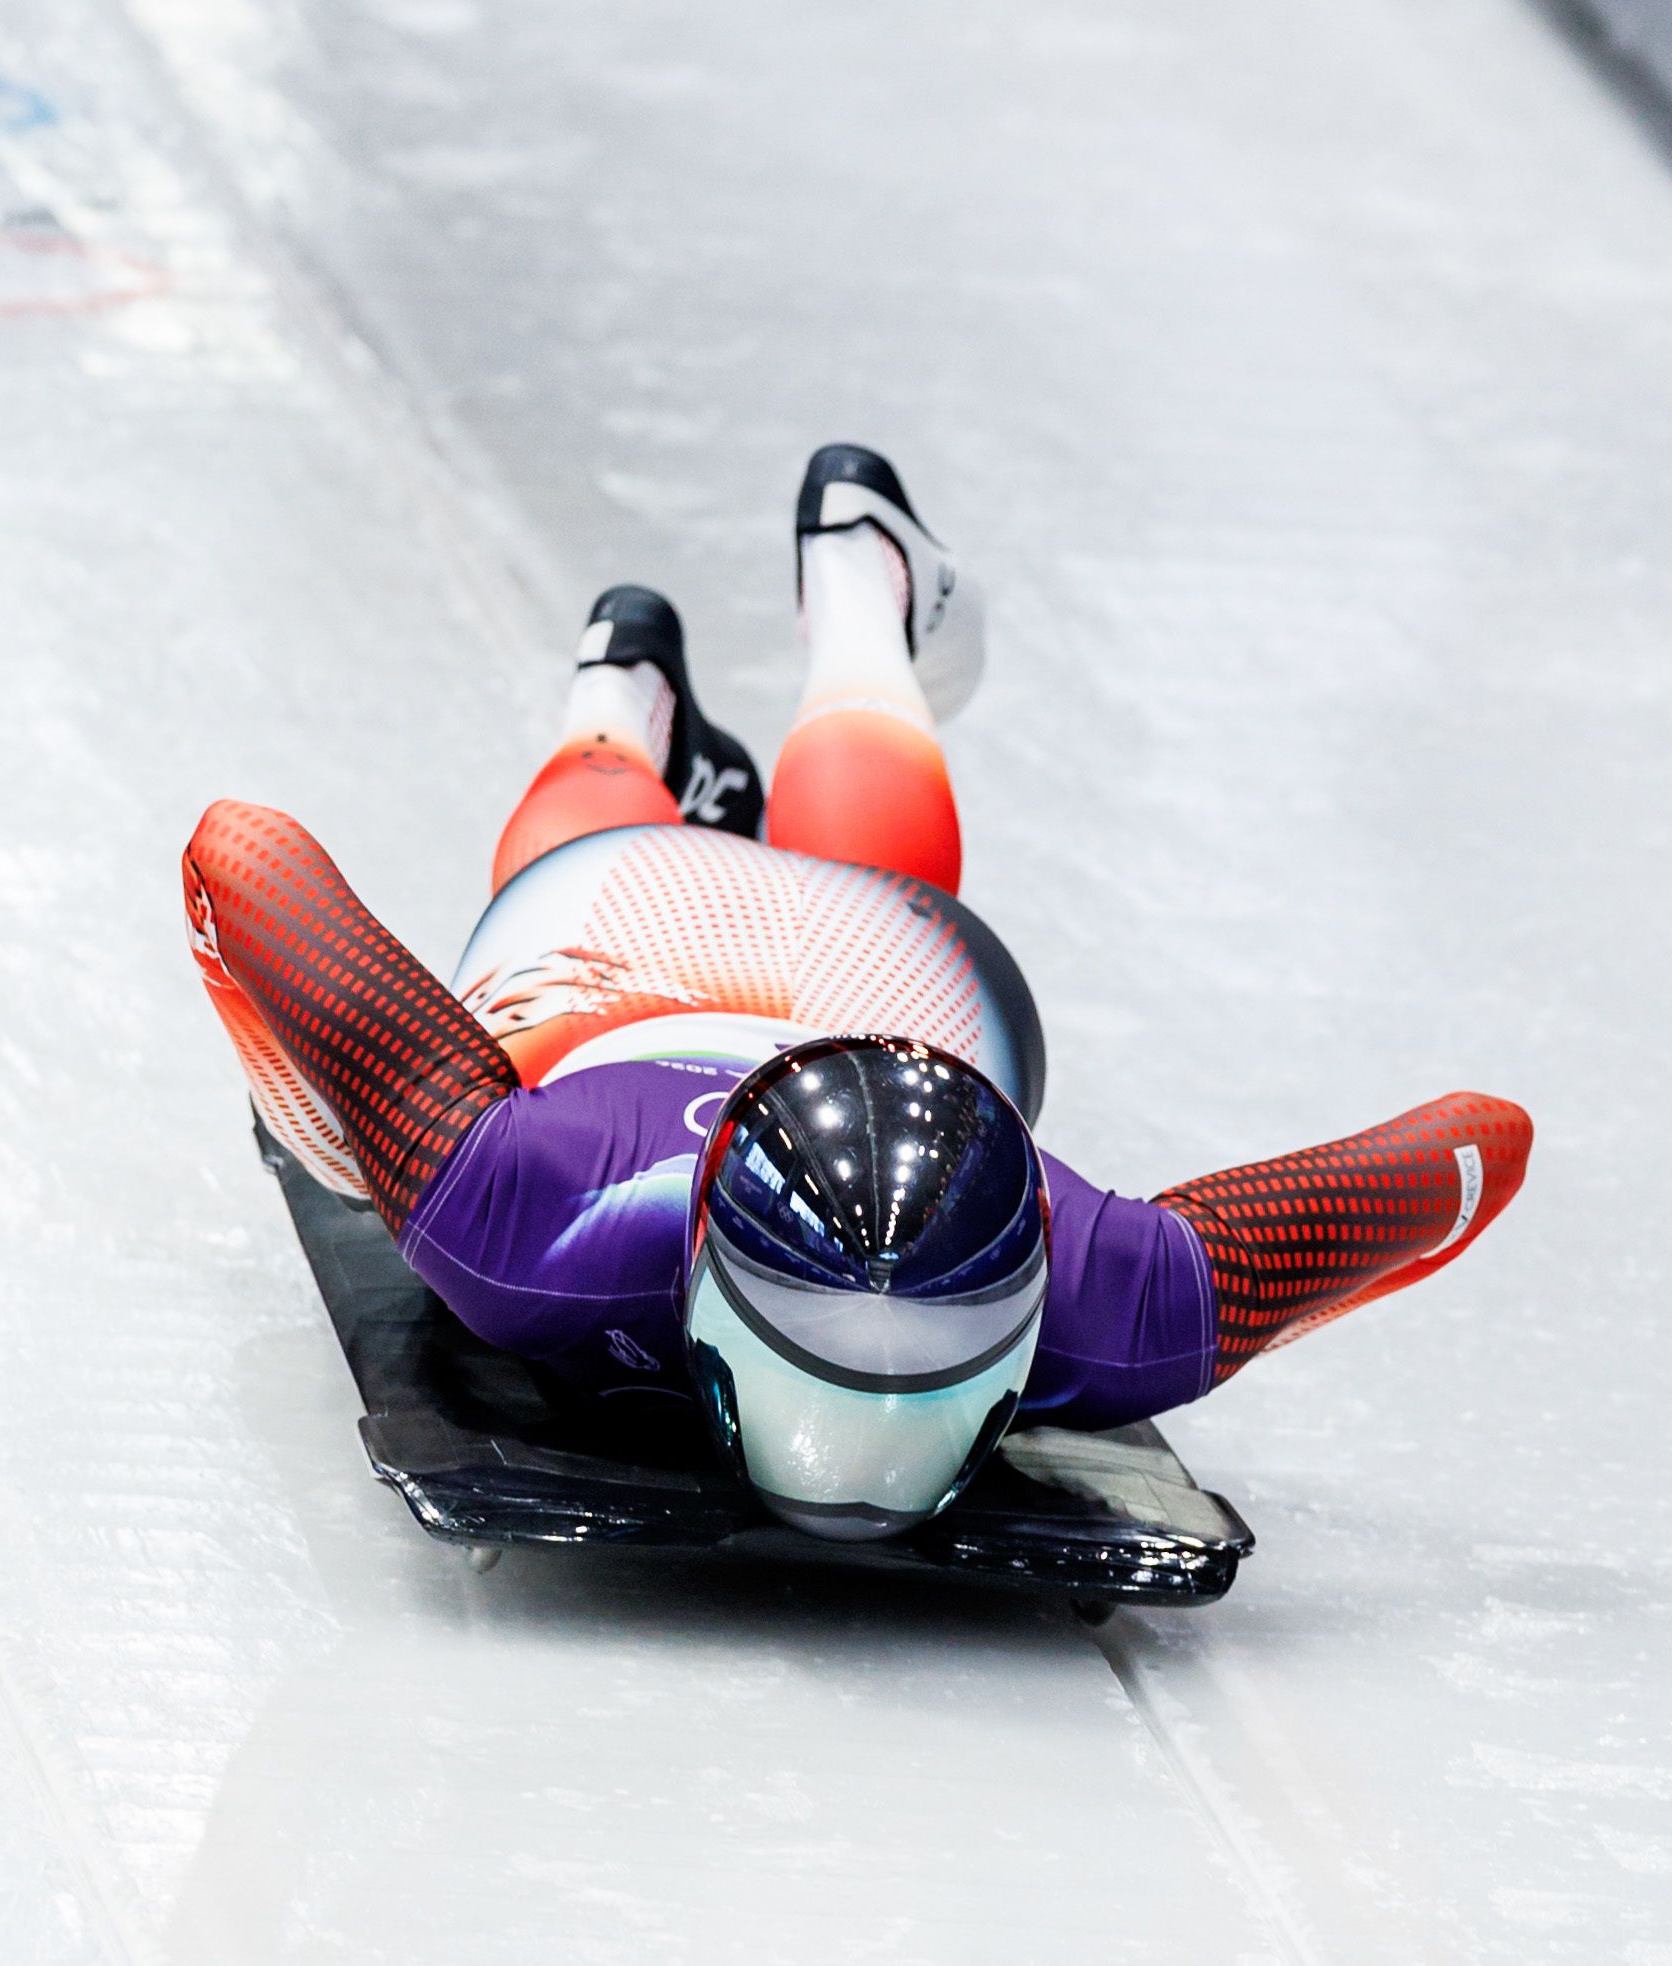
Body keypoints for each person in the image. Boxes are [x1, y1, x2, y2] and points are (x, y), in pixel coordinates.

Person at [184, 444, 1531, 1541]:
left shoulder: (521, 1216)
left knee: (648, 885)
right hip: (753, 967)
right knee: (635, 894)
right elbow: (1481, 1140)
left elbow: (244, 858)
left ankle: (684, 673)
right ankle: (712, 647)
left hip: (748, 961)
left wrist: (327, 1117)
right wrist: (344, 1123)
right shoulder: (516, 1213)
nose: (864, 1440)